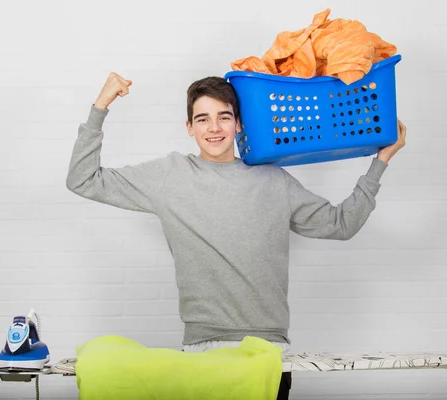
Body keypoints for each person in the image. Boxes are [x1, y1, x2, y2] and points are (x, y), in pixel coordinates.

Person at [66, 72, 407, 399]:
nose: (214, 128)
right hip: (202, 349)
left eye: (224, 117)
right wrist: (101, 104)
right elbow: (83, 179)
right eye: (202, 119)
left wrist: (381, 162)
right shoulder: (169, 176)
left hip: (268, 350)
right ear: (189, 127)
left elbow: (341, 224)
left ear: (239, 124)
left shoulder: (273, 180)